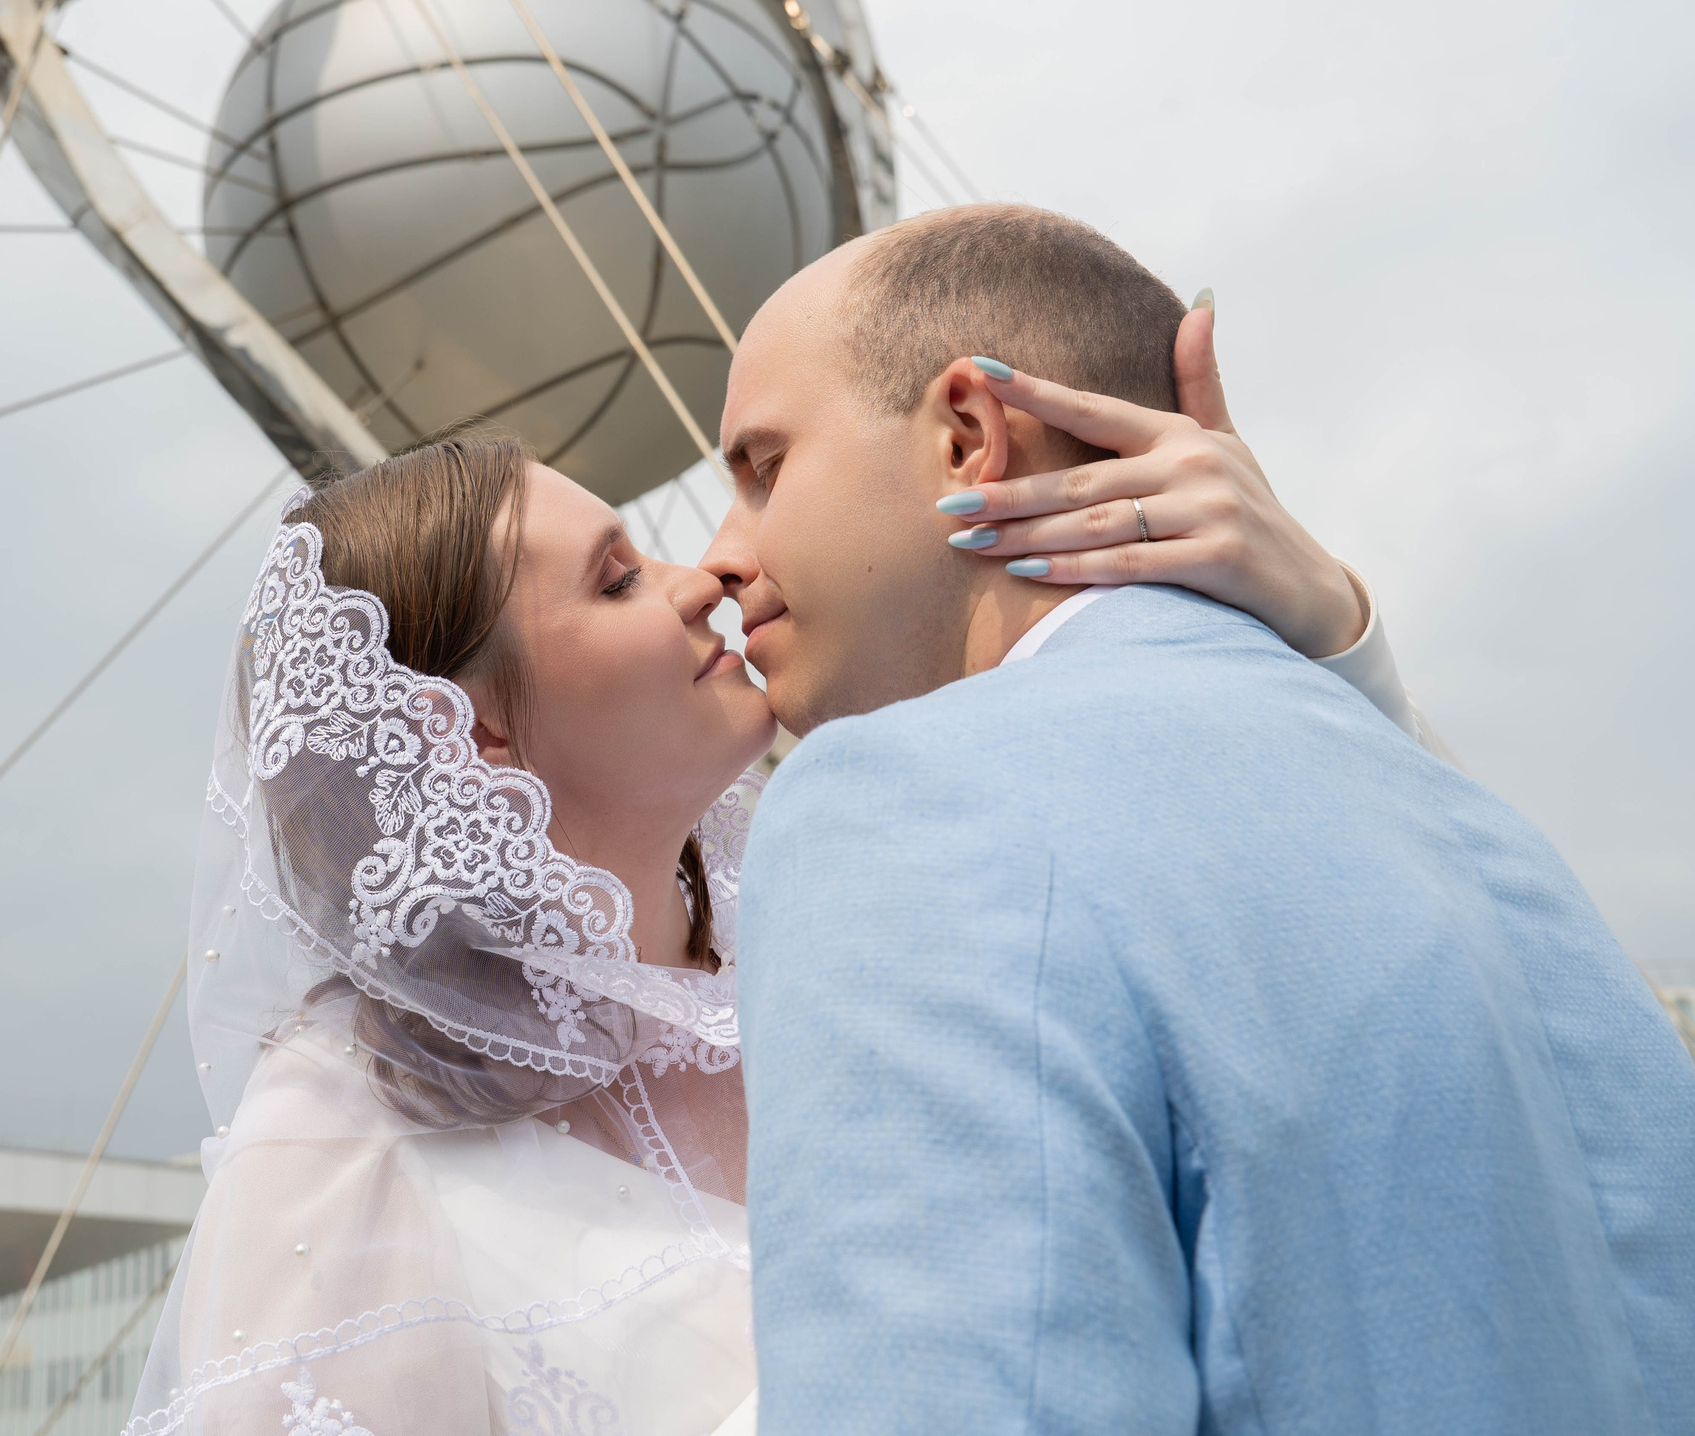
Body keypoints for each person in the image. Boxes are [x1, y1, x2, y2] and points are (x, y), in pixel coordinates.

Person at [127, 307, 1434, 1433]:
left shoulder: (879, 948)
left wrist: (1318, 628)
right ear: (474, 733)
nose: (703, 577)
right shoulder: (344, 1147)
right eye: (617, 578)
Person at [708, 203, 1695, 1434]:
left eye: (762, 469)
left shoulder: (899, 808)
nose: (719, 556)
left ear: (968, 434)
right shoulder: (1497, 850)